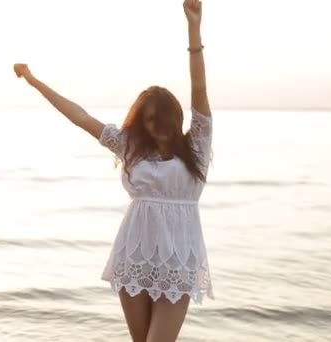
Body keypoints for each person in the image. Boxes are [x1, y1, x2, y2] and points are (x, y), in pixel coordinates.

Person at [13, 0, 213, 341]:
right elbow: (80, 117)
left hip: (180, 259)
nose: (157, 126)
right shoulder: (131, 147)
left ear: (176, 117)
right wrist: (33, 81)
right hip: (134, 254)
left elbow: (199, 90)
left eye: (163, 117)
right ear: (142, 122)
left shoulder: (197, 145)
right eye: (149, 119)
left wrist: (193, 27)